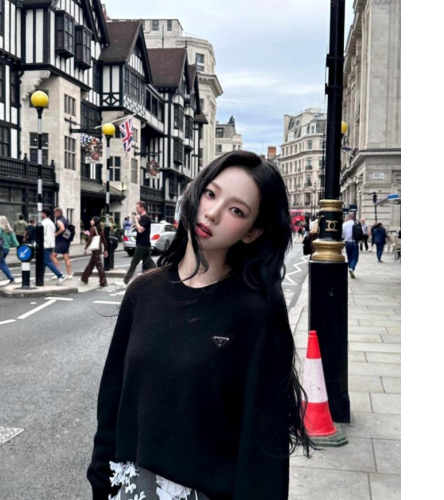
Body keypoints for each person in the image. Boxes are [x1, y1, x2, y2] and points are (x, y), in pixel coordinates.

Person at [88, 151, 315, 500]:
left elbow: (263, 441)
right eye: (211, 193)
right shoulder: (142, 292)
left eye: (236, 210)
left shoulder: (256, 312)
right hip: (131, 488)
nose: (212, 212)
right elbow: (112, 404)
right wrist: (101, 484)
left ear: (253, 232)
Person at [123, 201, 157, 285]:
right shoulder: (143, 218)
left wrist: (136, 220)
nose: (136, 209)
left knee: (134, 263)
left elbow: (140, 230)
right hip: (145, 245)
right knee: (149, 263)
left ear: (142, 208)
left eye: (137, 208)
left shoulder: (146, 218)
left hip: (142, 245)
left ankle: (125, 281)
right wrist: (138, 220)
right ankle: (160, 276)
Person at [0, 216, 19, 285]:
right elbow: (14, 241)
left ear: (0, 221)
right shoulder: (10, 230)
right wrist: (19, 248)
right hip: (6, 249)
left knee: (2, 264)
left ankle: (11, 278)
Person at [80, 217, 109, 287]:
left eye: (92, 220)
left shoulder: (93, 228)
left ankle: (103, 282)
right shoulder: (100, 229)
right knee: (91, 265)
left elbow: (90, 240)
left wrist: (85, 248)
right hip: (98, 249)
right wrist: (106, 249)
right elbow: (104, 240)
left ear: (95, 221)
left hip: (95, 250)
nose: (90, 221)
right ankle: (84, 278)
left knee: (99, 266)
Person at [41, 209, 67, 285]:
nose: (41, 214)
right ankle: (40, 278)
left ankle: (60, 275)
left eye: (42, 213)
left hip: (45, 244)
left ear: (44, 214)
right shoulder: (52, 223)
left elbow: (41, 233)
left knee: (47, 261)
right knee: (43, 261)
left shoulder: (43, 223)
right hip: (51, 244)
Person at [52, 207, 74, 279]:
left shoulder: (59, 221)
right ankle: (69, 274)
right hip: (66, 240)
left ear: (58, 213)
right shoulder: (65, 219)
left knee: (53, 256)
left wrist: (56, 234)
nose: (54, 214)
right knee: (66, 257)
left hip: (61, 241)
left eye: (55, 213)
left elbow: (62, 228)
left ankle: (58, 273)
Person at [343, 214, 359, 279]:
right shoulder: (356, 224)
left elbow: (342, 234)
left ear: (348, 217)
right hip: (355, 242)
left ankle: (350, 268)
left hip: (347, 243)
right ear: (353, 217)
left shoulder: (344, 224)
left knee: (349, 257)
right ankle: (351, 268)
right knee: (355, 258)